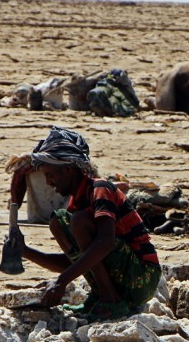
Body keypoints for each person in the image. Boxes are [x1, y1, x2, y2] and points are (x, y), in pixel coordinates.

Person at [15, 126, 160, 320]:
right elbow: (77, 261)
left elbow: (105, 243)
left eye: (50, 174)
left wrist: (62, 281)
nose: (49, 182)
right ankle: (102, 297)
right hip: (126, 277)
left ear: (67, 170)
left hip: (143, 277)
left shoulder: (100, 189)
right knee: (58, 221)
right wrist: (25, 251)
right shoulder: (77, 202)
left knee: (80, 221)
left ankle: (112, 301)